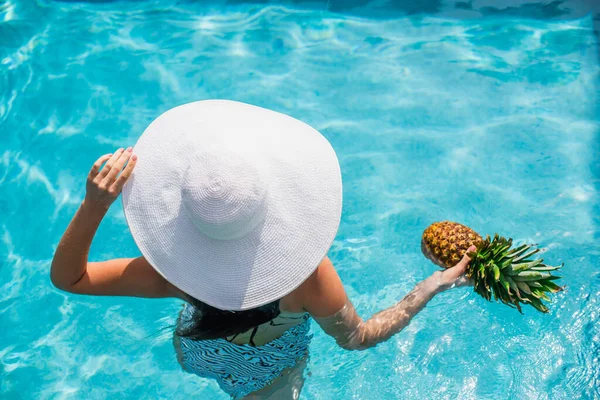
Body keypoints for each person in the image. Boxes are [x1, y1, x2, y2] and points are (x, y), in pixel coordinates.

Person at [50, 100, 475, 399]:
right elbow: (357, 338)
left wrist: (94, 205)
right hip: (269, 373)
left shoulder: (169, 276)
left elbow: (71, 278)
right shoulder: (309, 278)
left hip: (197, 351)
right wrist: (431, 286)